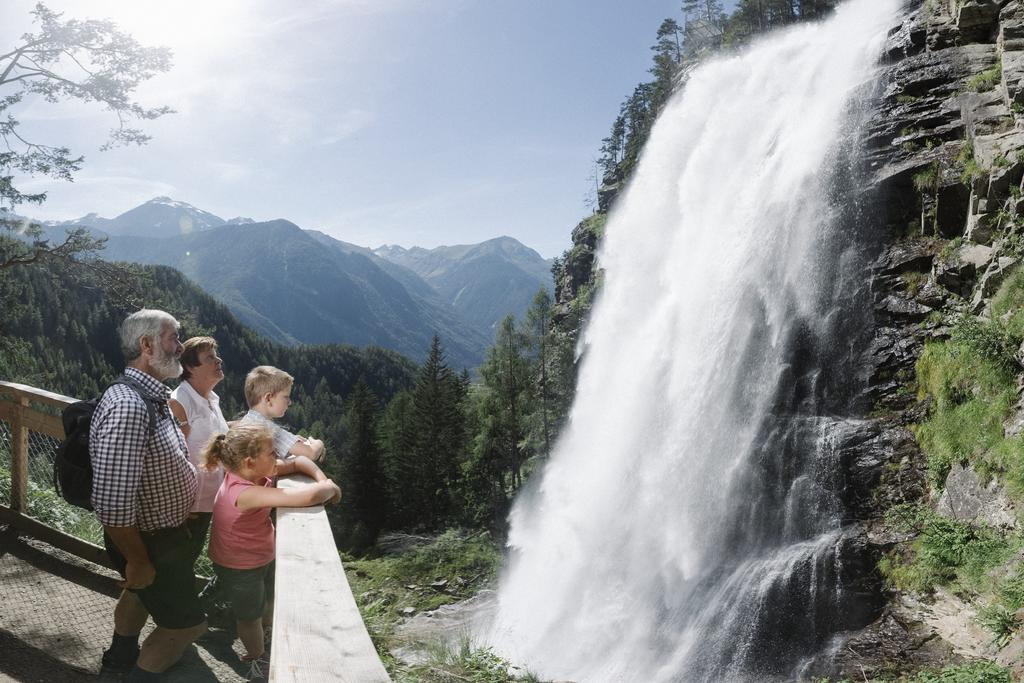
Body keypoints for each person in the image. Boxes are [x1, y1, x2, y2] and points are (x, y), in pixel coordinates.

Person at [90, 309, 206, 680]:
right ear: (146, 345)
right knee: (186, 626)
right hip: (148, 542)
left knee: (138, 595)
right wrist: (138, 560)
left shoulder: (151, 397)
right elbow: (111, 501)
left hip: (156, 537)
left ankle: (119, 661)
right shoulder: (130, 405)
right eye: (174, 338)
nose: (180, 346)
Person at [202, 422, 340, 679]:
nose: (278, 457)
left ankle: (263, 633)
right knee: (249, 616)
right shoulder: (244, 492)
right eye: (272, 453)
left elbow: (300, 462)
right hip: (239, 564)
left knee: (266, 598)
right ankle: (258, 658)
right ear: (250, 461)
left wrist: (324, 479)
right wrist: (330, 488)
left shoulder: (251, 472)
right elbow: (304, 497)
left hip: (258, 555)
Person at [168, 337, 228, 566]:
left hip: (205, 504)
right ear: (191, 367)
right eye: (210, 357)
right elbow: (170, 458)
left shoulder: (211, 399)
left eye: (216, 354)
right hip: (187, 509)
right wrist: (178, 508)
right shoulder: (179, 402)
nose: (218, 360)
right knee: (173, 568)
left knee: (181, 564)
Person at [240, 365, 325, 462]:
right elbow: (311, 453)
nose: (290, 402)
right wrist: (318, 443)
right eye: (286, 397)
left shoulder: (248, 420)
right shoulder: (267, 429)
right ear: (268, 398)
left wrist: (292, 441)